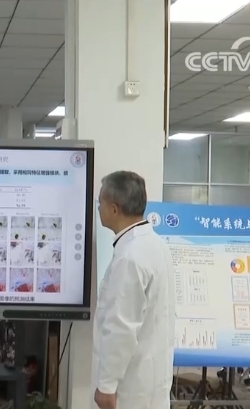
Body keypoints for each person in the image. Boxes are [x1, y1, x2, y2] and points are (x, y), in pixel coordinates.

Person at [92, 171, 175, 409]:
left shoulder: (130, 257)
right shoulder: (156, 245)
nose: (98, 208)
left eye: (100, 203)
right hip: (151, 380)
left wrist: (107, 385)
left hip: (130, 388)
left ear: (114, 209)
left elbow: (122, 326)